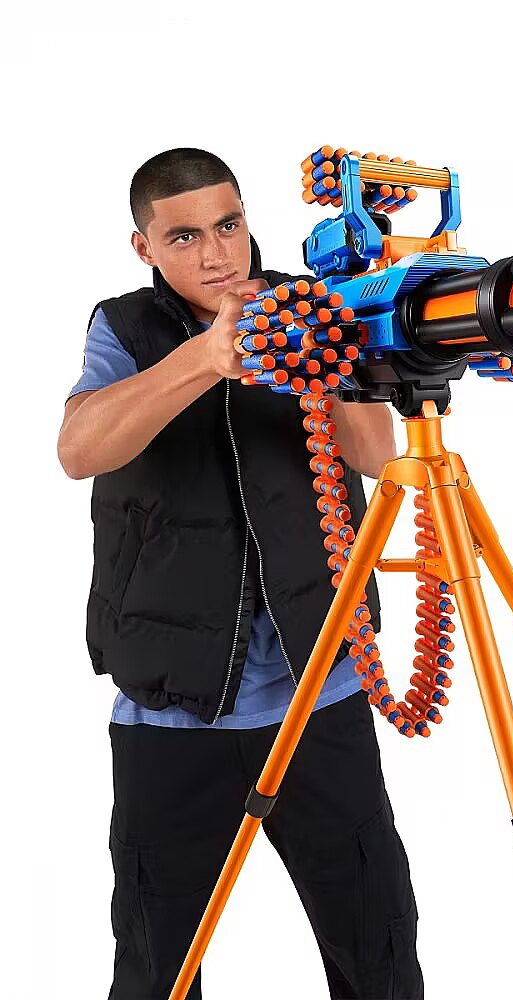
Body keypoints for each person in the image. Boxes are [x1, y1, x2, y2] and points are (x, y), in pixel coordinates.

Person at [57, 148, 423, 999]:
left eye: (229, 225)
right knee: (156, 967)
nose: (218, 253)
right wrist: (206, 359)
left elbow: (376, 454)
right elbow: (78, 450)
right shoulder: (125, 328)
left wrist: (339, 347)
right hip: (172, 709)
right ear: (145, 247)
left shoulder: (312, 304)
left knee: (377, 948)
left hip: (319, 689)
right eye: (184, 236)